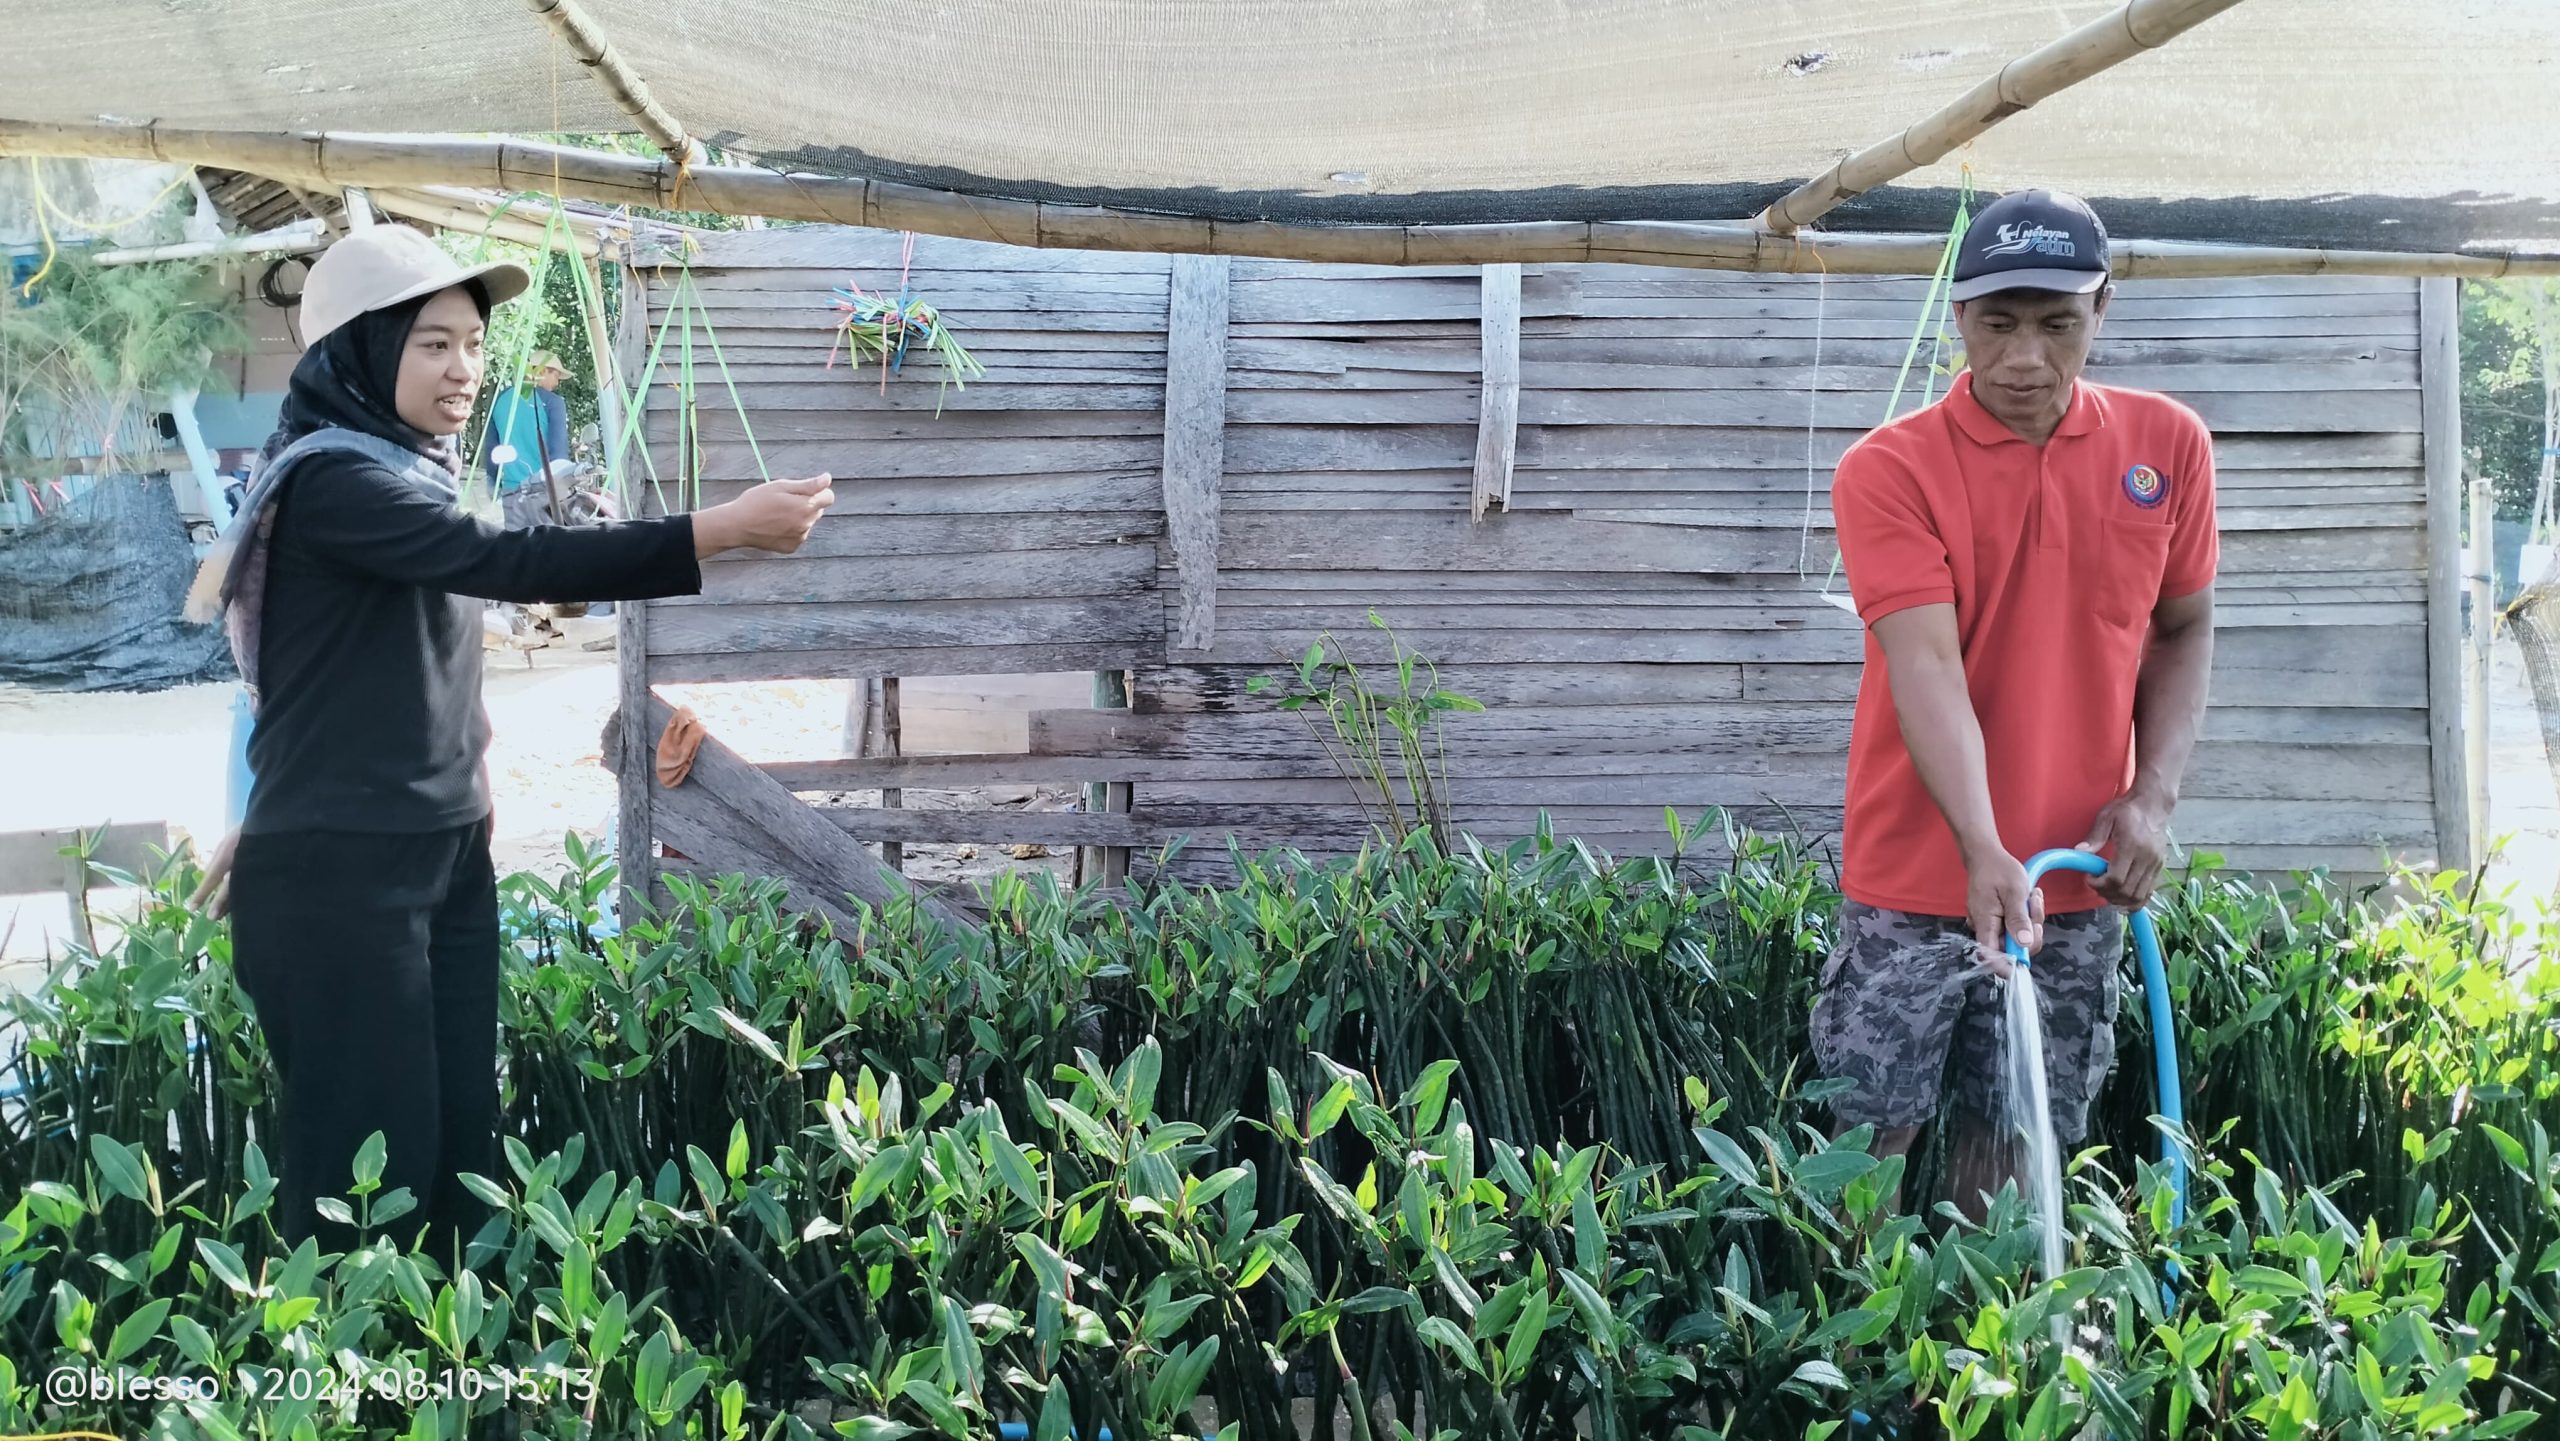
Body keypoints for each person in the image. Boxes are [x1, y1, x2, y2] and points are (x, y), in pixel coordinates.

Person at [185, 224, 834, 1265]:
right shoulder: (335, 485)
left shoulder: (404, 474)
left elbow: (322, 680)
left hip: (437, 851)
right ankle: (349, 1361)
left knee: (456, 1149)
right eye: (432, 343)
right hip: (344, 872)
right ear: (360, 351)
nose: (464, 369)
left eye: (473, 345)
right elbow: (513, 561)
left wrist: (271, 812)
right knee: (366, 1173)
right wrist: (722, 528)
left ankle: (450, 1353)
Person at [1811, 190, 2219, 1218]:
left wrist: (2152, 798)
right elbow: (1925, 666)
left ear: (2102, 308)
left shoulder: (2167, 447)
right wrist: (1981, 844)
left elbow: (2181, 630)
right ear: (1958, 317)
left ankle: (1980, 1325)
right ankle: (1851, 1328)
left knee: (2014, 1142)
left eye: (2057, 323)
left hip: (2076, 879)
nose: (2026, 357)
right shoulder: (1888, 469)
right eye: (1998, 323)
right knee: (1867, 1141)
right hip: (1912, 875)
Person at [484, 349, 573, 528]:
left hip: (511, 491)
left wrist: (494, 482)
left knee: (516, 543)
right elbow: (558, 454)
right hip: (543, 492)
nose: (557, 383)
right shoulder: (553, 402)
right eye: (556, 376)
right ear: (542, 371)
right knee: (548, 543)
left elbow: (492, 448)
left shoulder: (501, 399)